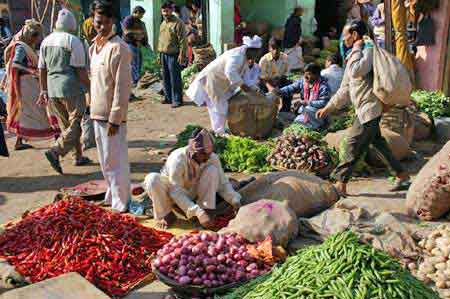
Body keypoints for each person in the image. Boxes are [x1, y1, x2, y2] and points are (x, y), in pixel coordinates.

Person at [316, 20, 411, 196]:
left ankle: (340, 183)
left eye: (346, 35)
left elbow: (356, 71)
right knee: (379, 143)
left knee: (352, 143)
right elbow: (345, 87)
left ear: (354, 35)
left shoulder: (366, 50)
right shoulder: (354, 54)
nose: (343, 39)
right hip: (364, 109)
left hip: (370, 109)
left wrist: (358, 48)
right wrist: (328, 108)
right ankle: (402, 175)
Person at [144, 128, 241, 229]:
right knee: (152, 179)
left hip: (194, 192)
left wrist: (234, 199)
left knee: (212, 170)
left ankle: (206, 209)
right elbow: (176, 192)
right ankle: (166, 214)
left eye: (209, 153)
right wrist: (197, 212)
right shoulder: (177, 159)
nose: (207, 157)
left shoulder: (211, 158)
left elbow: (223, 183)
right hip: (172, 194)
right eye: (203, 154)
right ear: (193, 151)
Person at [90, 0, 133, 213]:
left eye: (107, 22)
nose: (102, 26)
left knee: (115, 161)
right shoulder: (94, 47)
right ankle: (112, 194)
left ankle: (121, 202)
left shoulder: (119, 48)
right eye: (99, 22)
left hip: (111, 116)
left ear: (114, 21)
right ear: (93, 20)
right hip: (96, 113)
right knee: (105, 161)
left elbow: (122, 87)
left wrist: (116, 117)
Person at [38, 9, 91, 174]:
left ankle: (78, 156)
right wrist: (91, 88)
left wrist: (43, 90)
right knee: (75, 122)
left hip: (53, 89)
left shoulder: (46, 41)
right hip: (71, 87)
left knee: (67, 126)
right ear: (73, 25)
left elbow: (42, 69)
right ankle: (56, 151)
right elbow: (80, 70)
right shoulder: (73, 40)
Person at [186, 35, 262, 134]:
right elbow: (230, 71)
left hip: (222, 84)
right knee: (218, 108)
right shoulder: (237, 55)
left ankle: (220, 129)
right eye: (256, 53)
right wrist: (242, 85)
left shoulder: (245, 57)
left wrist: (255, 88)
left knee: (224, 106)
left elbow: (246, 76)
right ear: (250, 50)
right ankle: (218, 132)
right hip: (213, 80)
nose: (257, 56)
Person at [3, 19, 60, 151]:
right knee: (43, 110)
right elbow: (16, 65)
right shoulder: (21, 47)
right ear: (29, 35)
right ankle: (58, 136)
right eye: (35, 36)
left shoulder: (24, 46)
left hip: (29, 84)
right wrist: (33, 71)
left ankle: (19, 141)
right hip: (26, 85)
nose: (36, 39)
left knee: (27, 114)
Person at [271, 63, 331, 130]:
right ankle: (305, 122)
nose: (305, 76)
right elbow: (292, 87)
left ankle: (317, 125)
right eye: (304, 74)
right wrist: (280, 91)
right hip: (304, 111)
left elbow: (325, 103)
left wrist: (305, 102)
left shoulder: (323, 87)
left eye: (308, 74)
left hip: (317, 113)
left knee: (308, 109)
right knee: (282, 115)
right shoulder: (303, 81)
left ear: (316, 75)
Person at [158, 2, 187, 108]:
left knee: (175, 78)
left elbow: (183, 40)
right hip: (163, 54)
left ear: (171, 10)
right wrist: (159, 54)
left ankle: (177, 100)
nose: (165, 13)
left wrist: (182, 54)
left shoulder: (178, 23)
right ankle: (168, 97)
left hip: (174, 55)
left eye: (167, 11)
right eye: (164, 11)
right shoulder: (163, 23)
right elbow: (161, 40)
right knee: (165, 77)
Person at [259, 38, 291, 112]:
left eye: (278, 49)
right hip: (267, 83)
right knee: (260, 88)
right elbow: (263, 79)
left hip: (280, 81)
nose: (275, 51)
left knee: (289, 85)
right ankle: (264, 109)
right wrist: (271, 88)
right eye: (273, 48)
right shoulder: (264, 60)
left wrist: (278, 84)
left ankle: (285, 109)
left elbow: (285, 75)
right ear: (269, 48)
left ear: (281, 48)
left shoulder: (285, 58)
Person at [122, 6, 149, 85]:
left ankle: (136, 79)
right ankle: (134, 80)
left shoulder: (139, 21)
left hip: (138, 44)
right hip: (130, 43)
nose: (142, 16)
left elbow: (143, 32)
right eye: (141, 14)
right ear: (136, 12)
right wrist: (138, 33)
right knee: (134, 62)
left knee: (139, 61)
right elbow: (126, 32)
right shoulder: (128, 19)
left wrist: (144, 42)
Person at [283, 7, 305, 72]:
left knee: (292, 54)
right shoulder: (296, 20)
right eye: (301, 11)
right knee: (292, 54)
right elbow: (294, 32)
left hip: (288, 40)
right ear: (297, 12)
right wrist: (297, 41)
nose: (302, 13)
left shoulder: (290, 19)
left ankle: (290, 68)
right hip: (291, 41)